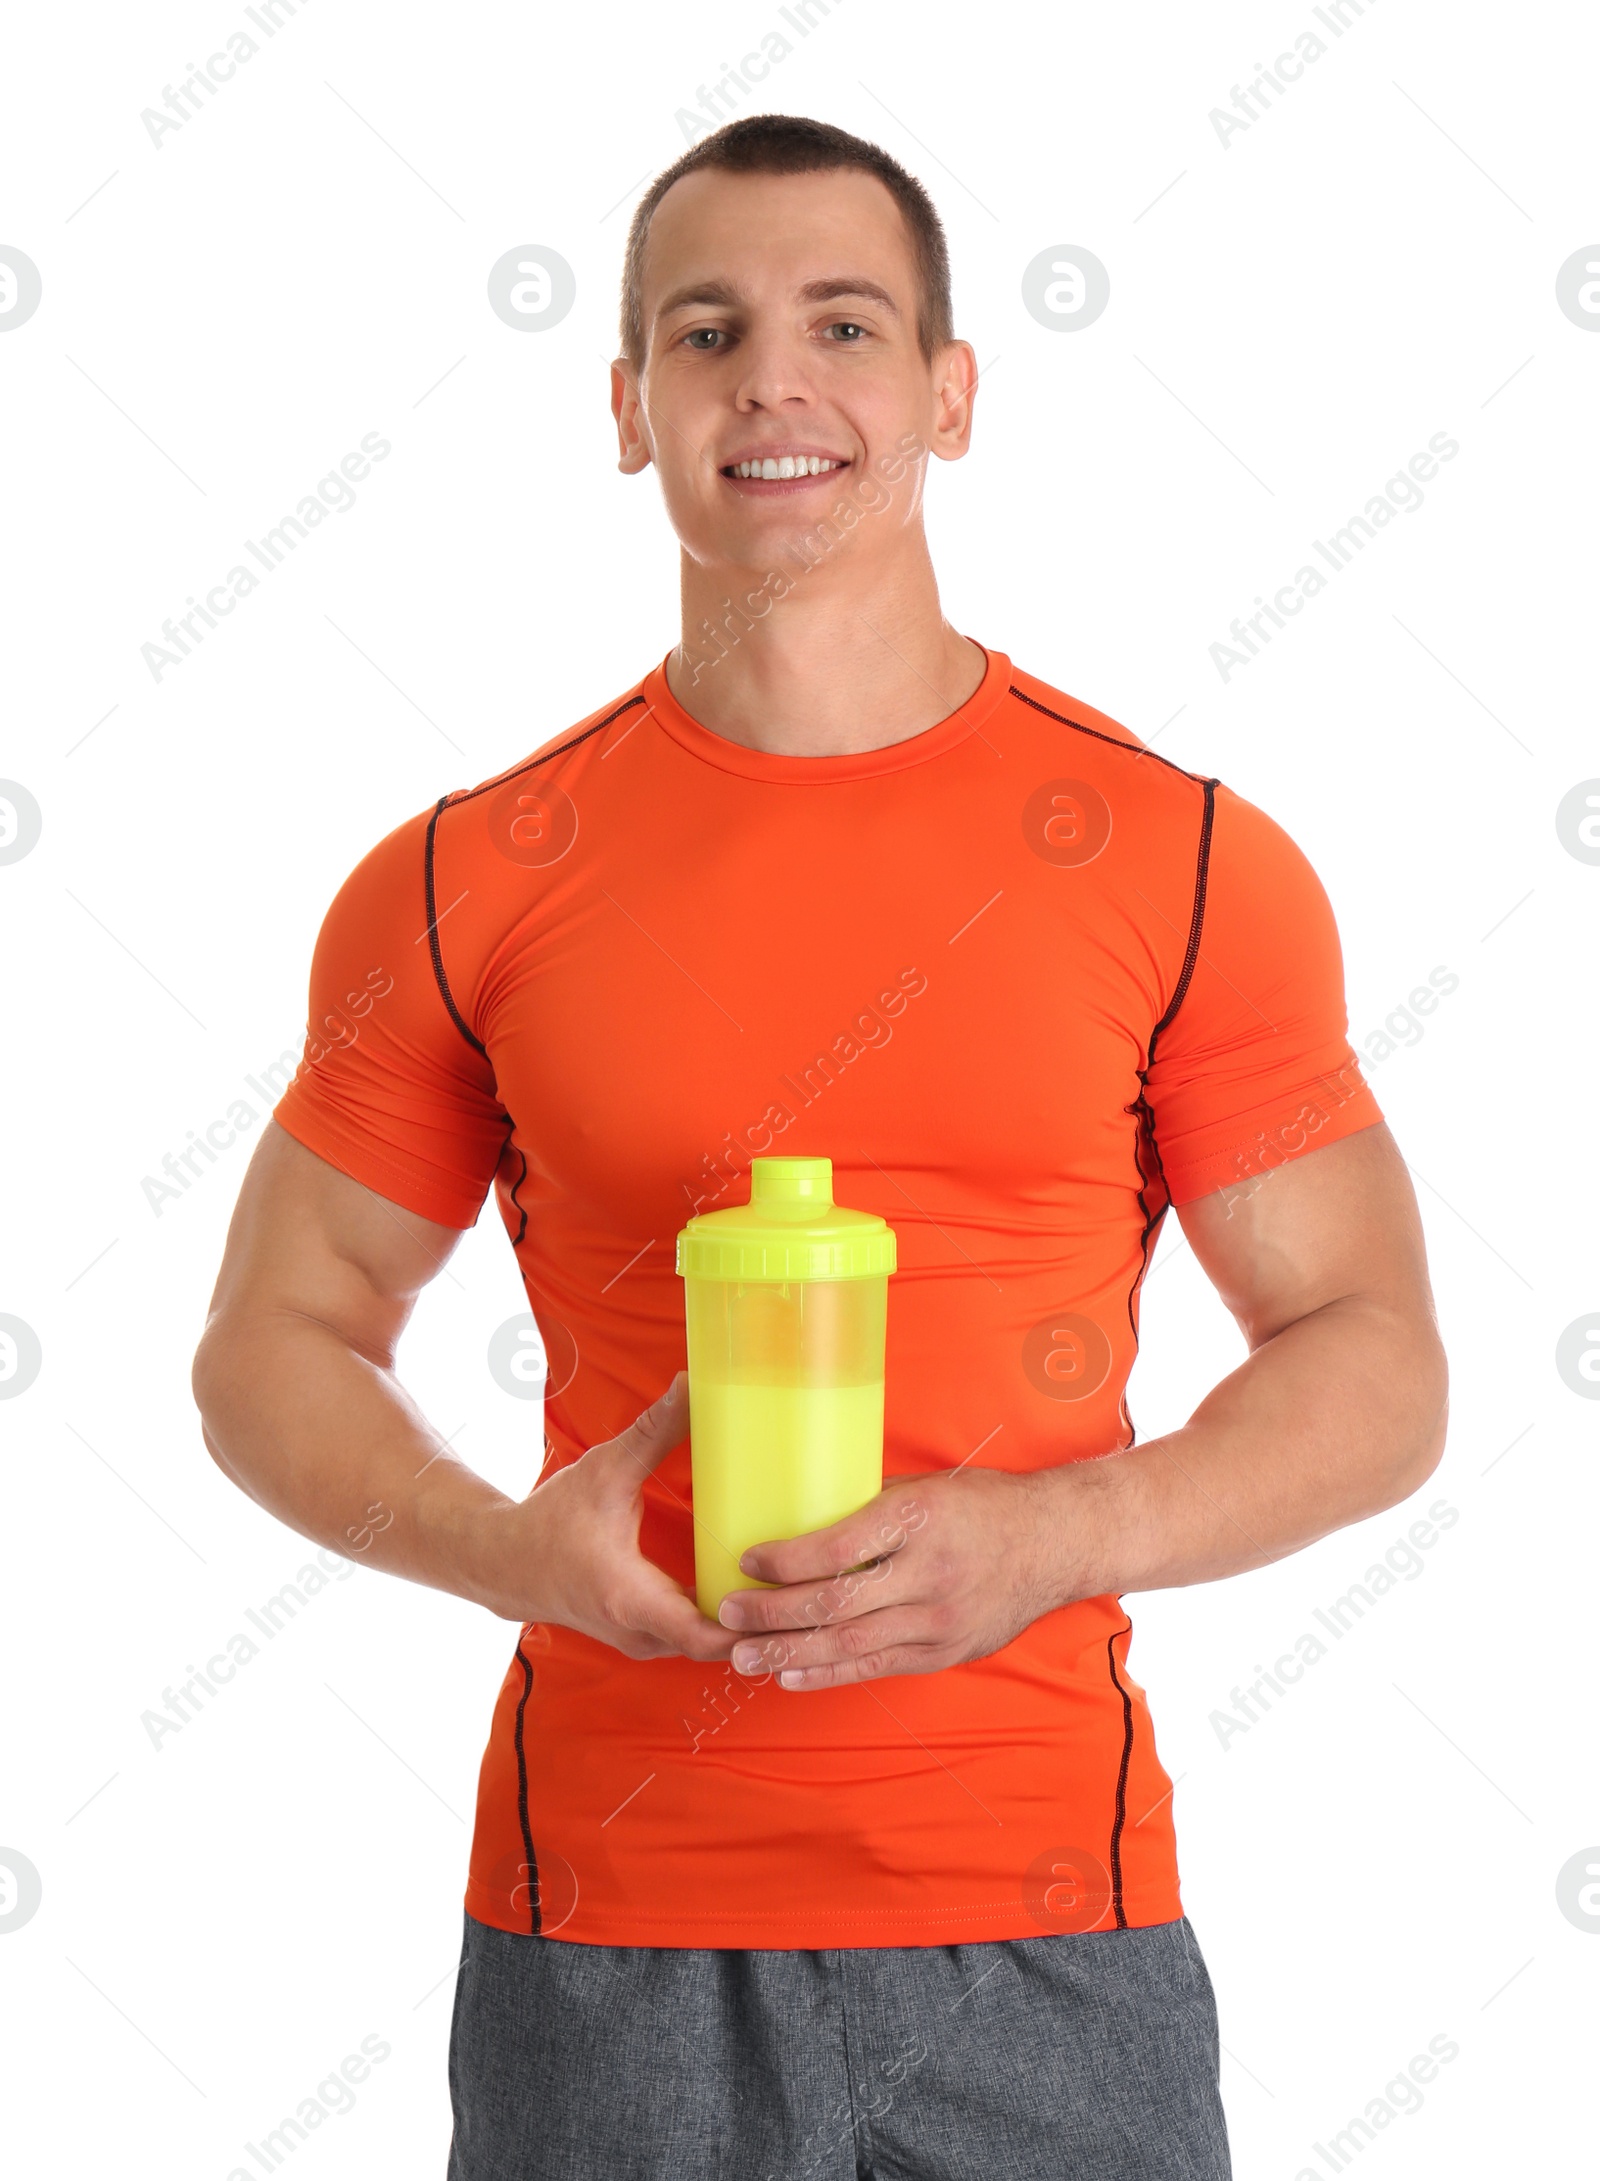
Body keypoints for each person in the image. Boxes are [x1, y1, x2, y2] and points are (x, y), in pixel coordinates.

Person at [192, 113, 1448, 2181]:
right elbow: (271, 1336)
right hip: (606, 1934)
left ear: (948, 394)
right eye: (707, 332)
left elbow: (1371, 1351)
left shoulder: (1181, 858)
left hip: (1052, 1924)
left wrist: (1054, 1534)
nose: (772, 378)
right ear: (630, 409)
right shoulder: (461, 880)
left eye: (842, 323)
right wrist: (504, 1545)